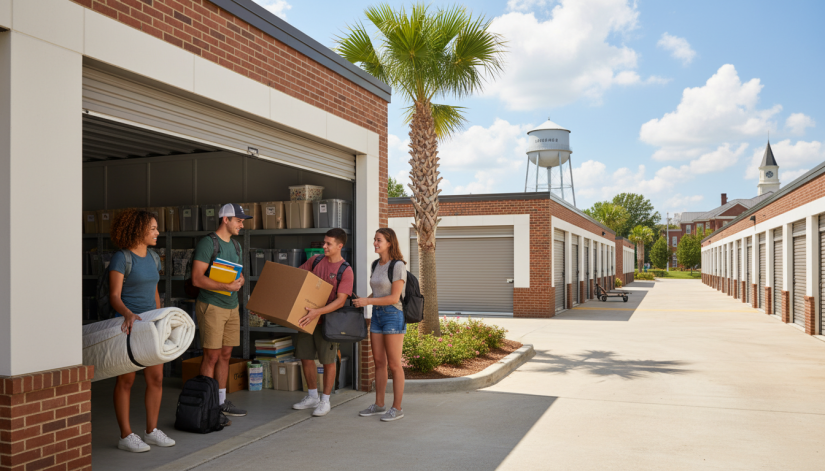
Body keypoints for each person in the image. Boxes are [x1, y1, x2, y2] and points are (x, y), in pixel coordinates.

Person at [108, 208, 176, 452]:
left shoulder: (154, 257)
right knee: (126, 380)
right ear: (139, 230)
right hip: (127, 326)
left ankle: (151, 431)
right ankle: (125, 436)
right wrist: (128, 314)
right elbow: (114, 295)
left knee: (156, 378)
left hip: (150, 327)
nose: (158, 232)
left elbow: (155, 292)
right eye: (153, 229)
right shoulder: (122, 258)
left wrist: (160, 319)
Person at [191, 203, 250, 421]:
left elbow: (238, 274)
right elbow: (197, 279)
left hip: (232, 306)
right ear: (225, 219)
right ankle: (206, 407)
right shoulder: (208, 243)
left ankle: (221, 403)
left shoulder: (236, 245)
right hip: (212, 306)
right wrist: (226, 286)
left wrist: (240, 281)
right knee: (212, 356)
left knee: (225, 355)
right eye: (239, 221)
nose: (241, 225)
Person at [292, 228, 354, 417]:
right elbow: (297, 277)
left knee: (328, 361)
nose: (324, 246)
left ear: (340, 246)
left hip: (328, 323)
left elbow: (340, 301)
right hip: (306, 319)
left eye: (328, 243)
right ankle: (312, 396)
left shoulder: (345, 270)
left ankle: (325, 400)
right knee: (305, 357)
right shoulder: (316, 260)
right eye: (324, 242)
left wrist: (317, 312)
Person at [352, 228, 407, 422]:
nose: (375, 243)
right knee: (379, 362)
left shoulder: (398, 266)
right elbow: (377, 293)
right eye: (374, 240)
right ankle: (379, 405)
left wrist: (368, 302)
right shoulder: (375, 264)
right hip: (377, 315)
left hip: (393, 315)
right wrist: (362, 301)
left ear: (389, 243)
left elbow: (393, 298)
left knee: (394, 364)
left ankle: (397, 408)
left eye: (379, 240)